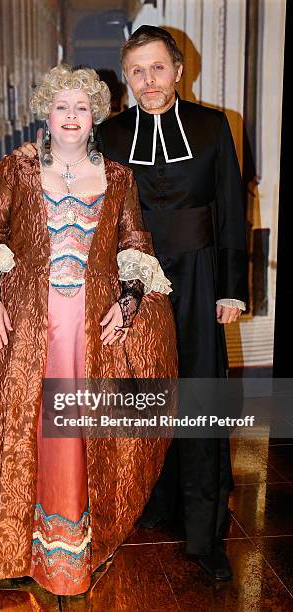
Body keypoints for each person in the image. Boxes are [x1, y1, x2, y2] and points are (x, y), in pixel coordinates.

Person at [0, 65, 177, 596]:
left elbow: (135, 245)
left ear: (94, 117)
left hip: (90, 327)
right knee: (26, 430)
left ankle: (72, 547)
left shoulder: (119, 177)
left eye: (81, 108)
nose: (71, 117)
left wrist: (128, 303)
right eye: (62, 107)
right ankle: (19, 544)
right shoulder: (16, 168)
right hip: (30, 323)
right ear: (46, 112)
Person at [96, 26, 248, 581]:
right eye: (137, 71)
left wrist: (232, 288)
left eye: (158, 68)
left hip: (202, 278)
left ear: (179, 71)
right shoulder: (110, 135)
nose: (148, 81)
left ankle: (205, 534)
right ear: (127, 77)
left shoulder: (212, 127)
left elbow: (231, 207)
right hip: (133, 286)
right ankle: (149, 506)